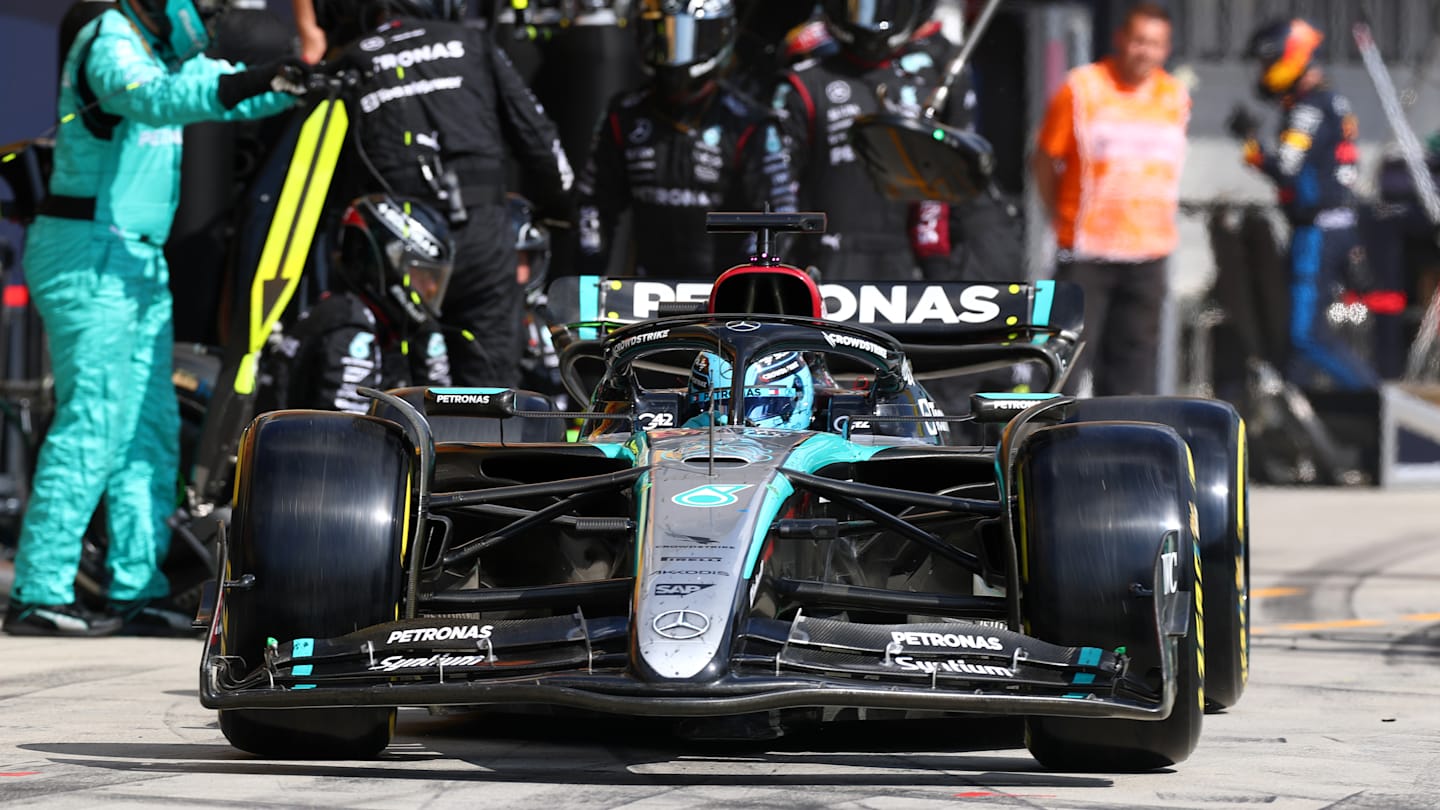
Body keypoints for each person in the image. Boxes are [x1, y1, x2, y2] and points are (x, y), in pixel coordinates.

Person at [4, 0, 299, 636]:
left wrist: (291, 84)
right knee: (98, 421)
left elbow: (214, 96)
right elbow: (149, 99)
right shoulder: (110, 35)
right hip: (90, 251)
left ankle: (135, 588)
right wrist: (253, 78)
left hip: (135, 257)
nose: (212, 15)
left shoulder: (161, 51)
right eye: (207, 4)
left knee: (148, 429)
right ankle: (39, 591)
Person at [313, 0, 574, 389]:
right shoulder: (471, 41)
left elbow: (323, 177)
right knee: (491, 393)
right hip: (481, 235)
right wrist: (558, 208)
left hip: (401, 252)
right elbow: (539, 141)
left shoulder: (350, 61)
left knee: (398, 390)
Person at [767, 0, 1017, 282]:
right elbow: (777, 192)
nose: (871, 20)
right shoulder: (806, 78)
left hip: (916, 262)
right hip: (829, 261)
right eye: (861, 8)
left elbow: (946, 186)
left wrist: (937, 266)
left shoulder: (940, 69)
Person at [1030, 1, 1189, 397]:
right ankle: (1044, 450)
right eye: (1137, 40)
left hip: (1147, 256)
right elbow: (1045, 160)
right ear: (1120, 39)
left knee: (1134, 375)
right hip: (1086, 253)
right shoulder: (1083, 88)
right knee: (1061, 365)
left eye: (1154, 44)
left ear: (1166, 49)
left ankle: (1126, 451)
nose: (1144, 51)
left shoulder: (1175, 96)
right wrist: (1060, 218)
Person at [1229, 18, 1379, 391]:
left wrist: (1252, 147)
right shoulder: (1331, 99)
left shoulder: (1308, 108)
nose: (1263, 73)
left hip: (1318, 232)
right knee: (1289, 336)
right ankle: (1298, 418)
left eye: (1267, 62)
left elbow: (1287, 168)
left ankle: (1378, 404)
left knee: (1304, 334)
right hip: (1336, 227)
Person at [574, 0, 774, 278]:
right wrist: (589, 282)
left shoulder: (747, 123)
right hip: (645, 294)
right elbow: (593, 205)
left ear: (715, 35)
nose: (671, 54)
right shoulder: (625, 115)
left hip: (726, 298)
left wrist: (748, 283)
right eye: (662, 35)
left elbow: (777, 212)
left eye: (683, 37)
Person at [258, 194, 455, 414]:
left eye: (436, 279)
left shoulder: (405, 328)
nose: (431, 289)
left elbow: (440, 416)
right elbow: (343, 437)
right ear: (391, 264)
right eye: (423, 275)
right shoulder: (349, 325)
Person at [682, 351, 816, 430]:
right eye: (722, 407)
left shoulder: (822, 445)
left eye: (761, 408)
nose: (736, 425)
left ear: (799, 395)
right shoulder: (691, 430)